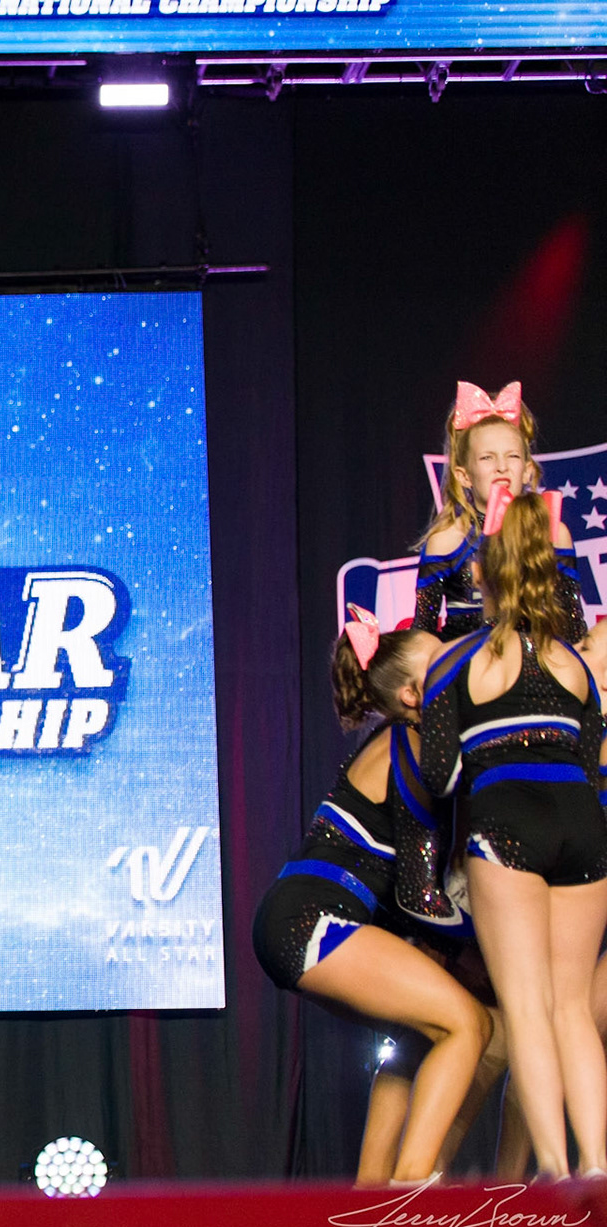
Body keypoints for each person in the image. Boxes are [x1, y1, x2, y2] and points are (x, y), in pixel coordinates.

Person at [253, 610, 490, 1183]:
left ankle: (371, 1196)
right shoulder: (409, 745)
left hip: (307, 915)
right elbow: (417, 898)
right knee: (468, 1024)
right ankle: (412, 1187)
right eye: (442, 663)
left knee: (421, 1033)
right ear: (412, 696)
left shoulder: (413, 742)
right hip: (311, 918)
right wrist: (493, 941)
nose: (458, 667)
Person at [419, 489, 607, 1180]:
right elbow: (589, 758)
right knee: (572, 1009)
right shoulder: (574, 663)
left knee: (526, 1010)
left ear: (480, 574)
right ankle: (598, 1163)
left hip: (508, 824)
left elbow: (440, 776)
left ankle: (554, 1168)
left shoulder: (455, 661)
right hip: (583, 827)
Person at [412, 382, 583, 642]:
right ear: (463, 475)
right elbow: (422, 635)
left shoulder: (553, 533)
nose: (501, 467)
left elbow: (574, 628)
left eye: (512, 456)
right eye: (487, 458)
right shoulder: (447, 541)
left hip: (540, 658)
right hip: (468, 660)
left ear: (527, 470)